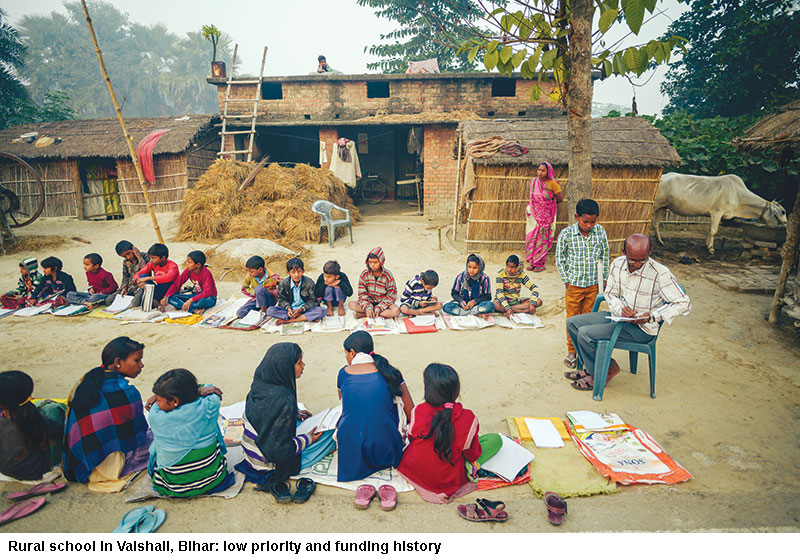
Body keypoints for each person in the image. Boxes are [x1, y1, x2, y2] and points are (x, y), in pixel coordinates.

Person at [565, 234, 691, 392]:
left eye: (642, 260)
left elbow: (684, 303)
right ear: (623, 251)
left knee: (585, 333)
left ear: (649, 252)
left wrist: (652, 316)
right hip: (618, 318)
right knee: (573, 323)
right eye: (633, 260)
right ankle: (594, 367)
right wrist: (620, 309)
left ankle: (604, 369)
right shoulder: (617, 264)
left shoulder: (660, 274)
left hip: (642, 329)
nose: (637, 264)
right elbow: (611, 294)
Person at [63, 337, 152, 492]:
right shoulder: (126, 392)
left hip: (81, 461)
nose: (141, 365)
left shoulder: (85, 381)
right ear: (118, 362)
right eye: (137, 360)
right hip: (111, 464)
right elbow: (138, 435)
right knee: (159, 438)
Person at [243, 343, 321, 502]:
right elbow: (279, 450)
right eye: (299, 363)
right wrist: (308, 439)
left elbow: (265, 417)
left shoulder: (261, 382)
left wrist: (293, 415)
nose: (303, 366)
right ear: (285, 367)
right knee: (326, 436)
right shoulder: (284, 399)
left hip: (251, 452)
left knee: (303, 425)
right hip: (268, 464)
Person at [398, 363, 481, 504]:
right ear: (456, 390)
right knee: (494, 440)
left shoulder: (419, 411)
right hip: (446, 481)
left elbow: (412, 438)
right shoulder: (469, 418)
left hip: (413, 470)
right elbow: (473, 455)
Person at [336, 331, 414, 482]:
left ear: (352, 353)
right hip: (388, 448)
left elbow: (344, 405)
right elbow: (411, 413)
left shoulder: (343, 373)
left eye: (345, 353)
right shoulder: (391, 373)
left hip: (353, 453)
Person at [147, 369, 232, 497]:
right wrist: (198, 389)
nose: (157, 403)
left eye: (159, 400)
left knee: (156, 448)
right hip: (213, 480)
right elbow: (212, 390)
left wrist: (154, 398)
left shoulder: (156, 417)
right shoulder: (210, 405)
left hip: (174, 487)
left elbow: (151, 406)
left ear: (175, 400)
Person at [555, 198, 610, 368]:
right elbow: (560, 258)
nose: (589, 225)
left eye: (593, 222)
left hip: (593, 286)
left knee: (589, 321)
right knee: (572, 319)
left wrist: (605, 279)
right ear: (576, 217)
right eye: (585, 221)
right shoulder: (566, 234)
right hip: (574, 286)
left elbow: (605, 256)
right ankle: (572, 351)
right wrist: (567, 281)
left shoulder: (600, 232)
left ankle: (586, 352)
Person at [0, 370, 65, 481]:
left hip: (6, 469)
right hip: (36, 469)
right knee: (53, 409)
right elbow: (61, 433)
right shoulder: (33, 419)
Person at [525, 161, 564, 272]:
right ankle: (532, 262)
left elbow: (560, 199)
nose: (540, 173)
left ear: (548, 171)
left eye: (543, 170)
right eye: (539, 170)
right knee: (532, 236)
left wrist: (547, 205)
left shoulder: (553, 184)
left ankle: (540, 264)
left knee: (542, 239)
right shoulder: (534, 182)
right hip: (534, 215)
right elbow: (532, 198)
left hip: (546, 216)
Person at [267, 257, 326, 325]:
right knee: (270, 311)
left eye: (299, 271)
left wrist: (301, 309)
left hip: (305, 309)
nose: (296, 275)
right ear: (288, 272)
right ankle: (304, 318)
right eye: (293, 272)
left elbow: (313, 301)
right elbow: (281, 299)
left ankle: (287, 321)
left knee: (322, 311)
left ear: (303, 271)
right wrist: (289, 308)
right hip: (289, 311)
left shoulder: (309, 282)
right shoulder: (283, 283)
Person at [350, 247, 400, 319]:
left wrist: (379, 307)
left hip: (383, 303)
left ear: (381, 262)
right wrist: (368, 307)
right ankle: (371, 313)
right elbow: (362, 294)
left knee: (396, 311)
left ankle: (365, 314)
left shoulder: (388, 275)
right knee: (351, 305)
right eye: (370, 262)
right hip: (369, 302)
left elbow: (391, 295)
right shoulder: (364, 274)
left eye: (375, 262)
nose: (372, 265)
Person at [133, 243, 179, 308]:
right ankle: (155, 301)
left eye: (153, 258)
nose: (151, 260)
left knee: (166, 282)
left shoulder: (172, 265)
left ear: (163, 258)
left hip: (170, 290)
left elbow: (169, 278)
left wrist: (149, 278)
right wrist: (138, 280)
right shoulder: (152, 264)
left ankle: (154, 301)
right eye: (150, 258)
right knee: (142, 276)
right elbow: (138, 274)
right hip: (158, 289)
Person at [105, 240, 150, 307]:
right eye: (125, 256)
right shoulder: (126, 261)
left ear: (133, 249)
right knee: (109, 300)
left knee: (135, 303)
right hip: (130, 288)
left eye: (128, 253)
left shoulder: (145, 256)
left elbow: (146, 271)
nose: (128, 257)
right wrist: (124, 288)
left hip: (141, 286)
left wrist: (139, 257)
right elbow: (125, 277)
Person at [236, 255, 280, 319]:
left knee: (259, 289)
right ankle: (260, 311)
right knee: (240, 313)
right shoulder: (250, 277)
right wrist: (254, 293)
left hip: (270, 301)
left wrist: (270, 291)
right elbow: (244, 288)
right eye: (248, 271)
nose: (249, 273)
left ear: (260, 269)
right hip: (257, 301)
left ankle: (264, 311)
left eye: (251, 272)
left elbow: (279, 291)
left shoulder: (273, 277)